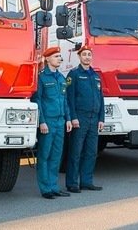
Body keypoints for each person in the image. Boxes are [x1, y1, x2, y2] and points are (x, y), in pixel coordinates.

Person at [31, 47, 72, 199]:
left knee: (56, 155)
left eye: (60, 56)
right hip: (48, 122)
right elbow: (38, 100)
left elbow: (65, 100)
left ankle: (54, 186)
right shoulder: (42, 78)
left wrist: (68, 118)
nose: (59, 59)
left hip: (60, 122)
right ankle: (45, 188)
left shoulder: (61, 78)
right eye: (56, 56)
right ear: (47, 59)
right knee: (45, 155)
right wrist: (41, 122)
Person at [65, 45, 105, 193]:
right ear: (79, 56)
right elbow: (70, 98)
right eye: (84, 54)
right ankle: (72, 183)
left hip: (94, 119)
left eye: (89, 55)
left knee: (91, 152)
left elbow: (101, 98)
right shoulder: (74, 74)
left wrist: (101, 118)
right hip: (80, 118)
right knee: (76, 152)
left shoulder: (95, 76)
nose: (87, 57)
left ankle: (87, 181)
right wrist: (73, 117)